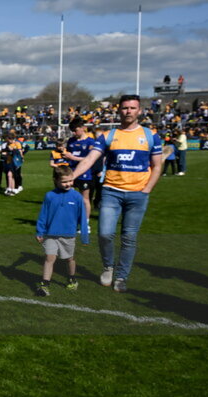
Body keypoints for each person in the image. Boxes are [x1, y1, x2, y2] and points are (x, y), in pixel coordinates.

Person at [71, 94, 163, 293]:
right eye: (125, 108)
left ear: (139, 111)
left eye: (132, 108)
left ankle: (121, 276)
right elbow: (88, 160)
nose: (128, 111)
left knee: (129, 238)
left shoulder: (150, 136)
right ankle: (108, 266)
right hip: (111, 192)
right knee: (104, 234)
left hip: (138, 195)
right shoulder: (108, 136)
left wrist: (147, 189)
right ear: (119, 110)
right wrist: (72, 177)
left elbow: (157, 166)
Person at [35, 165, 89, 296]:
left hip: (68, 235)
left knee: (69, 258)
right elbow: (43, 214)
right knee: (49, 257)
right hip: (51, 234)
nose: (68, 184)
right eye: (64, 181)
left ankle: (71, 278)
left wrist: (84, 235)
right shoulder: (49, 196)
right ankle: (45, 284)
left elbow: (82, 217)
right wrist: (40, 231)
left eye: (70, 181)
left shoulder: (77, 197)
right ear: (56, 180)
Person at [64, 118, 96, 220]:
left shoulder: (90, 142)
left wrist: (73, 158)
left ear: (83, 128)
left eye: (75, 130)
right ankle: (71, 218)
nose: (73, 133)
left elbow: (90, 159)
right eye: (72, 131)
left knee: (84, 199)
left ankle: (85, 223)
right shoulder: (71, 141)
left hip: (84, 173)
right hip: (71, 173)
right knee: (69, 197)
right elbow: (69, 154)